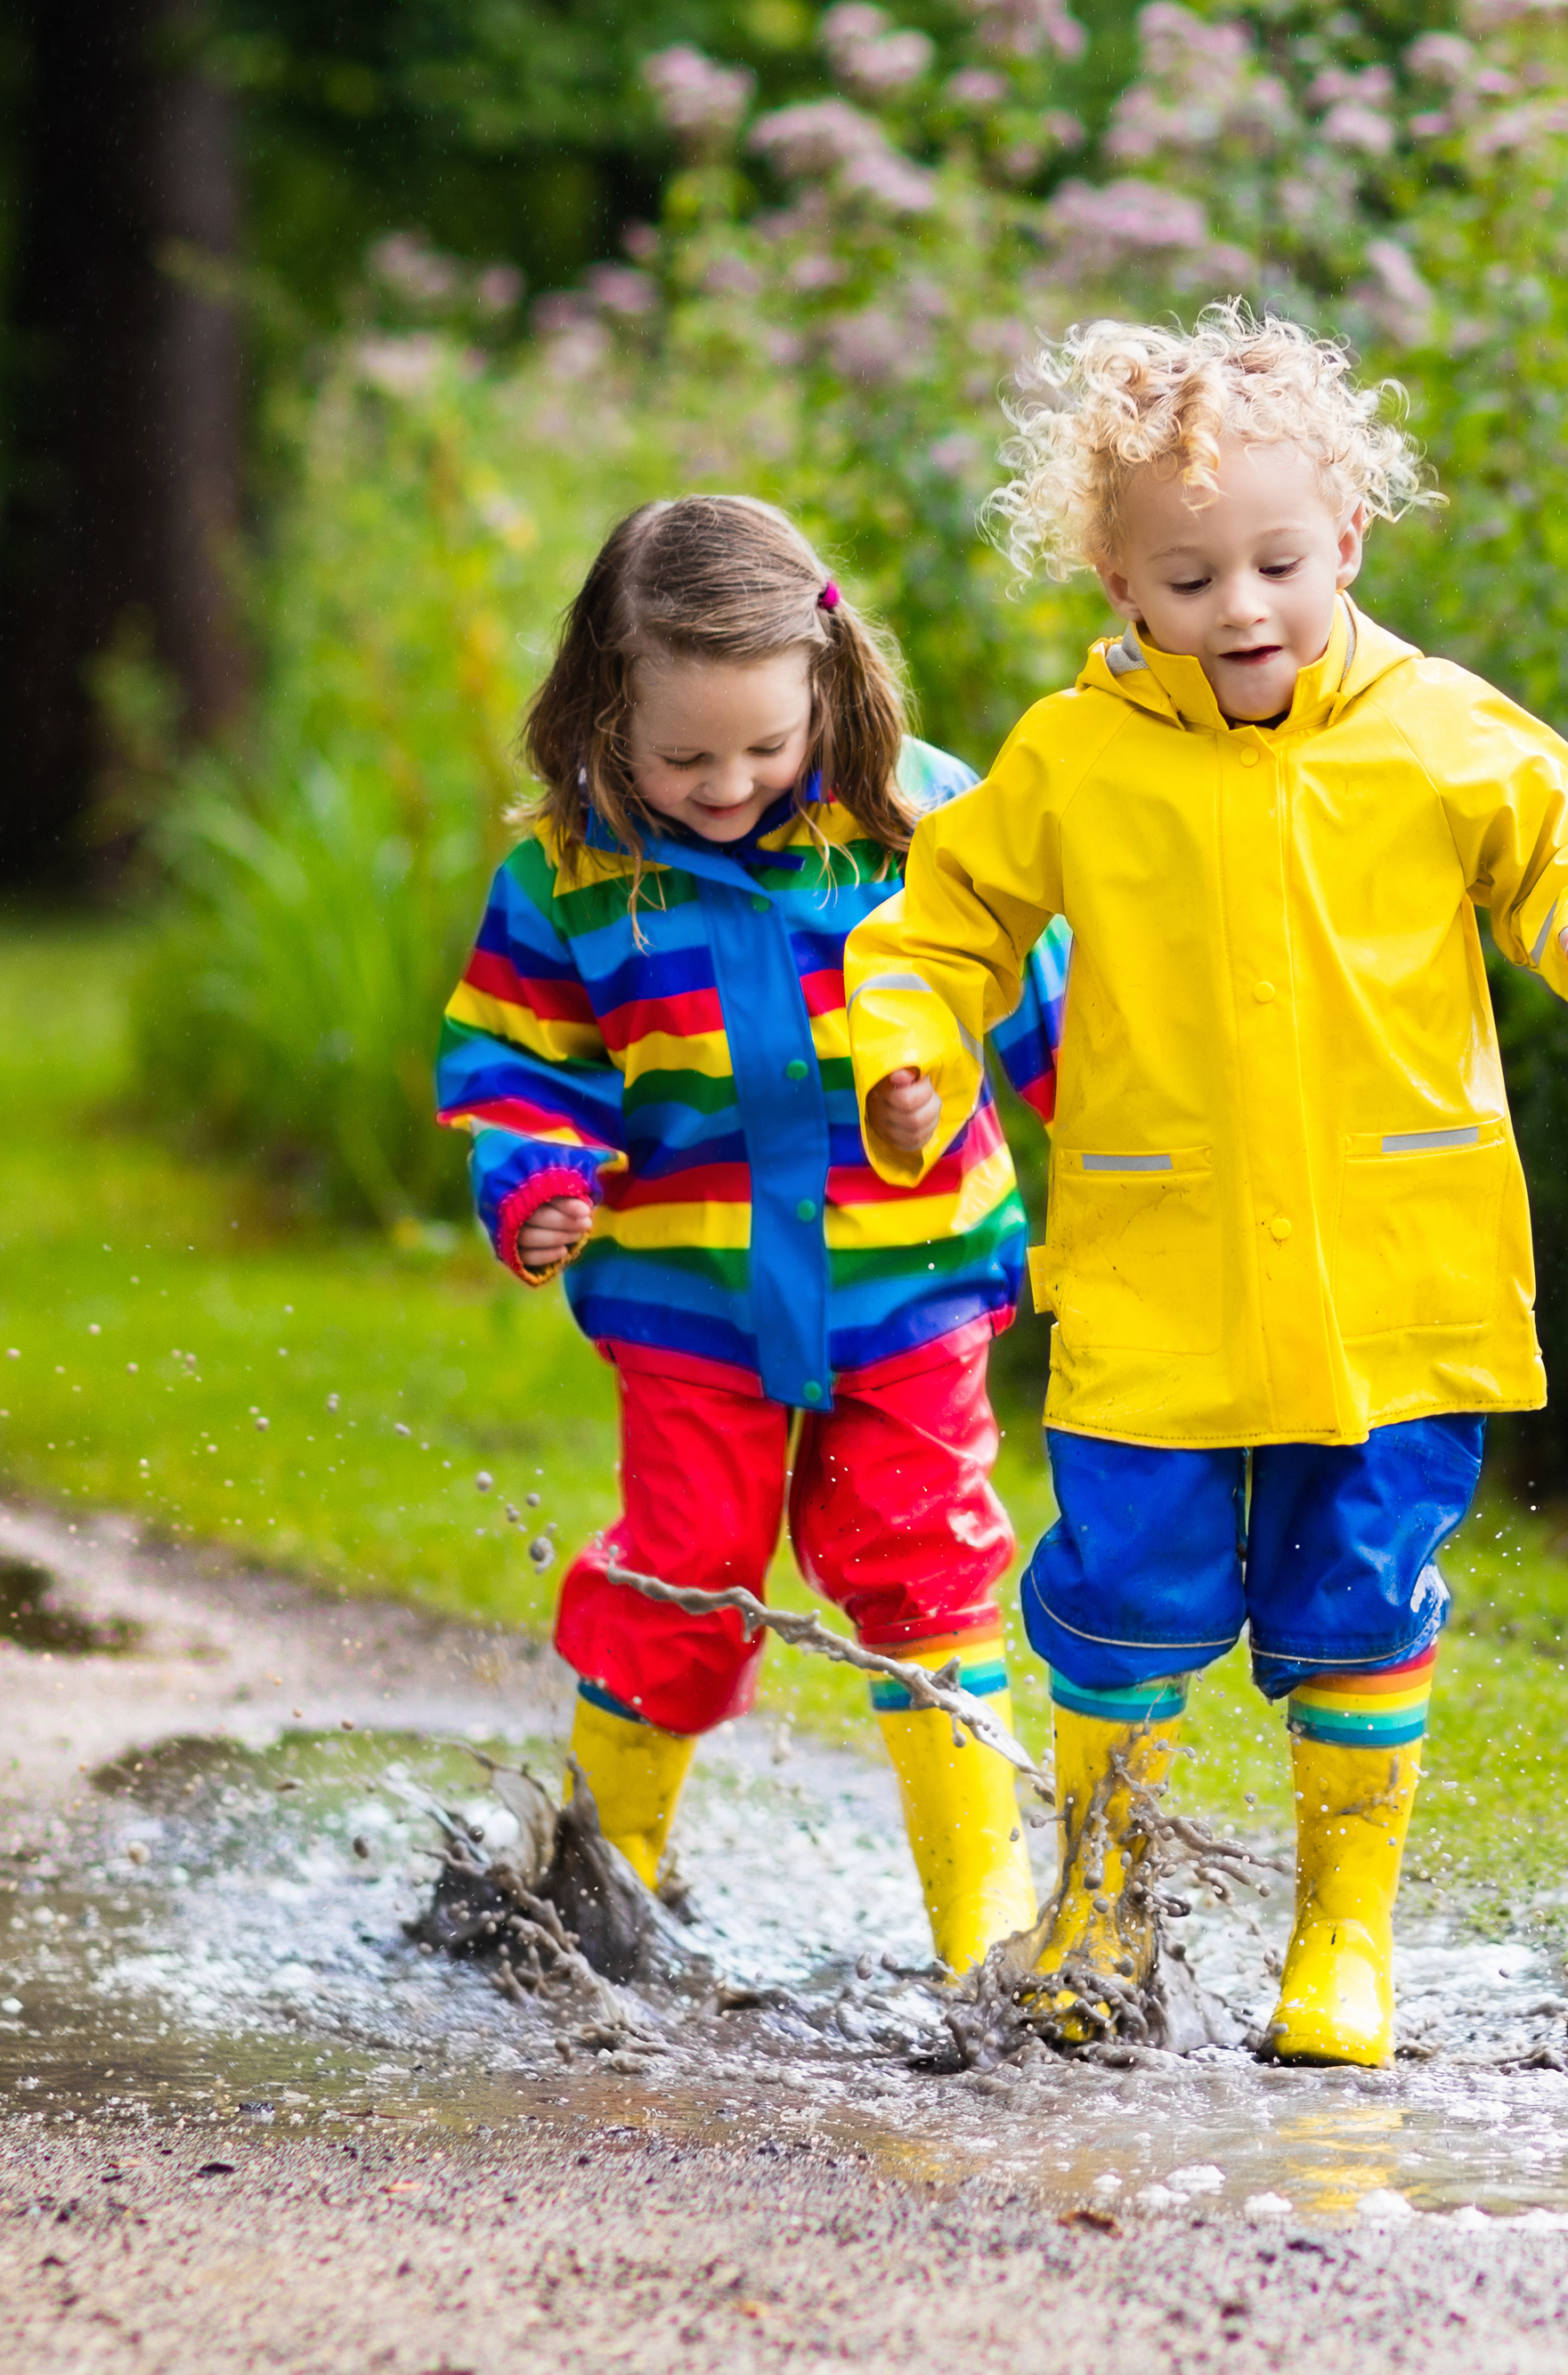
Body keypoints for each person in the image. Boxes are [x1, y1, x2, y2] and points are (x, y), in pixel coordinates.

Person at [844, 307, 1568, 2062]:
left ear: (1348, 541)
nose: (1240, 606)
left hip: (1394, 1276)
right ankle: (1100, 1909)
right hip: (1161, 1269)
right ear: (1115, 576)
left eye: (1277, 562)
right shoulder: (1073, 758)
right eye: (1188, 572)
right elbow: (938, 925)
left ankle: (1340, 1940)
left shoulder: (1443, 729)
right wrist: (906, 1053)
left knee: (1361, 1598)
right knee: (1125, 1594)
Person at [436, 495, 1066, 1976]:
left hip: (908, 1290)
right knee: (686, 1568)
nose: (727, 785)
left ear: (828, 686)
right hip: (693, 1302)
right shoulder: (571, 879)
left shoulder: (921, 822)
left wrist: (1112, 1157)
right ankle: (601, 1891)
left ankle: (985, 1925)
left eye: (766, 748)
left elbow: (1056, 1012)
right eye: (683, 756)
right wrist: (536, 1188)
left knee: (927, 1568)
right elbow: (516, 1070)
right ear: (606, 710)